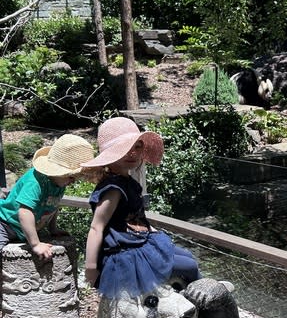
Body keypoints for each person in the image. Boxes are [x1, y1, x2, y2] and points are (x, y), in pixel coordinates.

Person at [81, 117, 201, 298]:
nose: (133, 153)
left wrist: (151, 231)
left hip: (140, 240)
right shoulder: (113, 189)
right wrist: (91, 268)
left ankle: (199, 290)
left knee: (187, 256)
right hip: (127, 253)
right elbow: (96, 227)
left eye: (137, 146)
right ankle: (203, 296)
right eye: (125, 148)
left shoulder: (127, 181)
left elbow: (135, 216)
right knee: (190, 266)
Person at [0, 134, 94, 261]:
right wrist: (35, 244)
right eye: (71, 177)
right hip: (5, 224)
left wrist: (53, 229)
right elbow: (24, 212)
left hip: (22, 228)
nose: (73, 181)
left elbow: (53, 206)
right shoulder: (35, 182)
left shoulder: (59, 182)